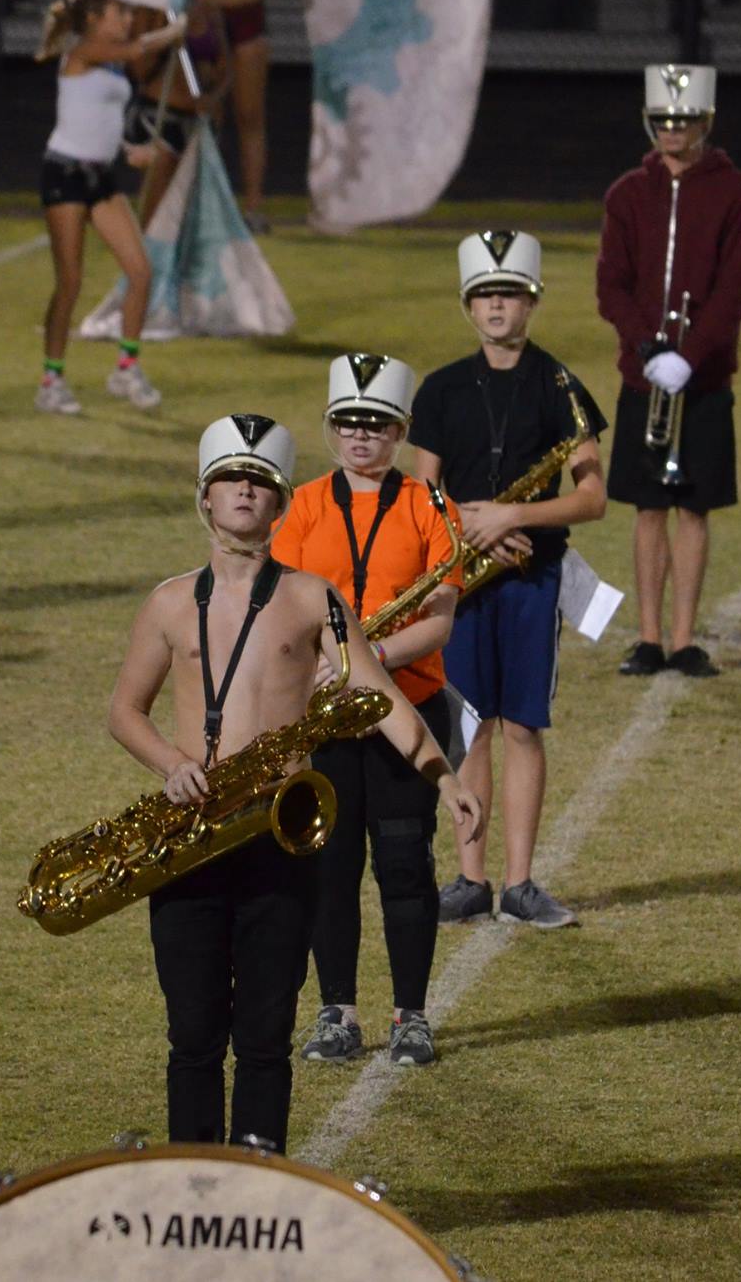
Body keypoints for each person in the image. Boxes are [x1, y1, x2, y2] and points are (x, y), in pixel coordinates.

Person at [109, 414, 479, 1146]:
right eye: (230, 479)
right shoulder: (170, 602)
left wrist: (442, 775)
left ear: (280, 505)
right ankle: (192, 1180)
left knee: (266, 1033)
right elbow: (125, 711)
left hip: (278, 837)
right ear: (205, 498)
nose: (244, 491)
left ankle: (260, 1179)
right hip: (192, 834)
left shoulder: (314, 599)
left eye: (260, 481)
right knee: (192, 1034)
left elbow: (381, 697)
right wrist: (172, 765)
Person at [270, 354, 464, 1067]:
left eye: (376, 424)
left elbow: (439, 621)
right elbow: (281, 608)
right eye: (348, 421)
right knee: (330, 865)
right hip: (324, 719)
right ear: (331, 427)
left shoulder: (430, 506)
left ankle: (411, 1014)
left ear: (400, 431)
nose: (360, 435)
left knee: (406, 865)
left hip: (407, 706)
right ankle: (338, 1013)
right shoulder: (300, 506)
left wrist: (361, 659)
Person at [413, 231, 608, 930]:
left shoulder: (560, 385)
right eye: (485, 295)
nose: (497, 306)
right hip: (461, 583)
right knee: (469, 728)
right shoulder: (440, 388)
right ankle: (471, 879)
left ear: (532, 302)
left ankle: (521, 884)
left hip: (533, 579)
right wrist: (472, 527)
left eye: (510, 294)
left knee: (523, 726)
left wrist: (513, 515)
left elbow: (593, 497)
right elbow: (423, 495)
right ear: (468, 306)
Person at [597, 63, 741, 679]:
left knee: (694, 509)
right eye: (663, 119)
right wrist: (648, 349)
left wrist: (689, 359)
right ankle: (647, 638)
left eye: (684, 118)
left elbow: (732, 292)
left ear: (705, 122)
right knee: (648, 508)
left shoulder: (736, 192)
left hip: (706, 380)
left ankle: (686, 639)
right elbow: (611, 285)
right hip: (645, 378)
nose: (672, 129)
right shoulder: (625, 195)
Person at [32, 0, 183, 416]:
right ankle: (51, 380)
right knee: (70, 282)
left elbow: (93, 117)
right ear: (96, 19)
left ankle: (126, 369)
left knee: (140, 271)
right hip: (64, 174)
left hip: (100, 177)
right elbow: (138, 49)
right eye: (121, 13)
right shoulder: (83, 50)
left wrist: (129, 149)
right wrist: (173, 31)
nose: (129, 19)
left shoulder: (110, 61)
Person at [193, 0, 293, 230]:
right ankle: (204, 206)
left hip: (248, 9)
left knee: (250, 114)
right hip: (208, 13)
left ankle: (253, 207)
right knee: (208, 115)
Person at [128, 0, 231, 224]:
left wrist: (213, 98)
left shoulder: (209, 8)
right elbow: (139, 69)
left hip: (200, 119)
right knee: (155, 210)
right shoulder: (151, 9)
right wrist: (165, 31)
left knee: (190, 212)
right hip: (160, 115)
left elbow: (225, 69)